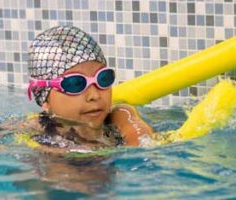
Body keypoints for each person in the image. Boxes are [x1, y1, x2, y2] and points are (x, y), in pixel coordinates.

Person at [11, 25, 154, 153]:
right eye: (75, 83)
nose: (94, 95)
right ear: (45, 100)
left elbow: (142, 142)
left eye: (103, 78)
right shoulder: (34, 128)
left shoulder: (121, 115)